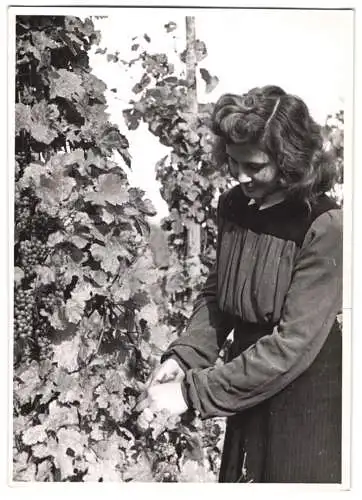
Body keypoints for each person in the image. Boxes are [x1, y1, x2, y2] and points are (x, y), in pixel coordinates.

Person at [135, 85, 343, 483]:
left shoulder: (324, 225)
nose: (239, 175)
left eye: (255, 165)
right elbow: (219, 296)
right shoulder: (234, 205)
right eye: (233, 162)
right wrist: (183, 360)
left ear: (291, 161)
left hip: (303, 400)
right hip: (246, 382)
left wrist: (191, 393)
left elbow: (292, 346)